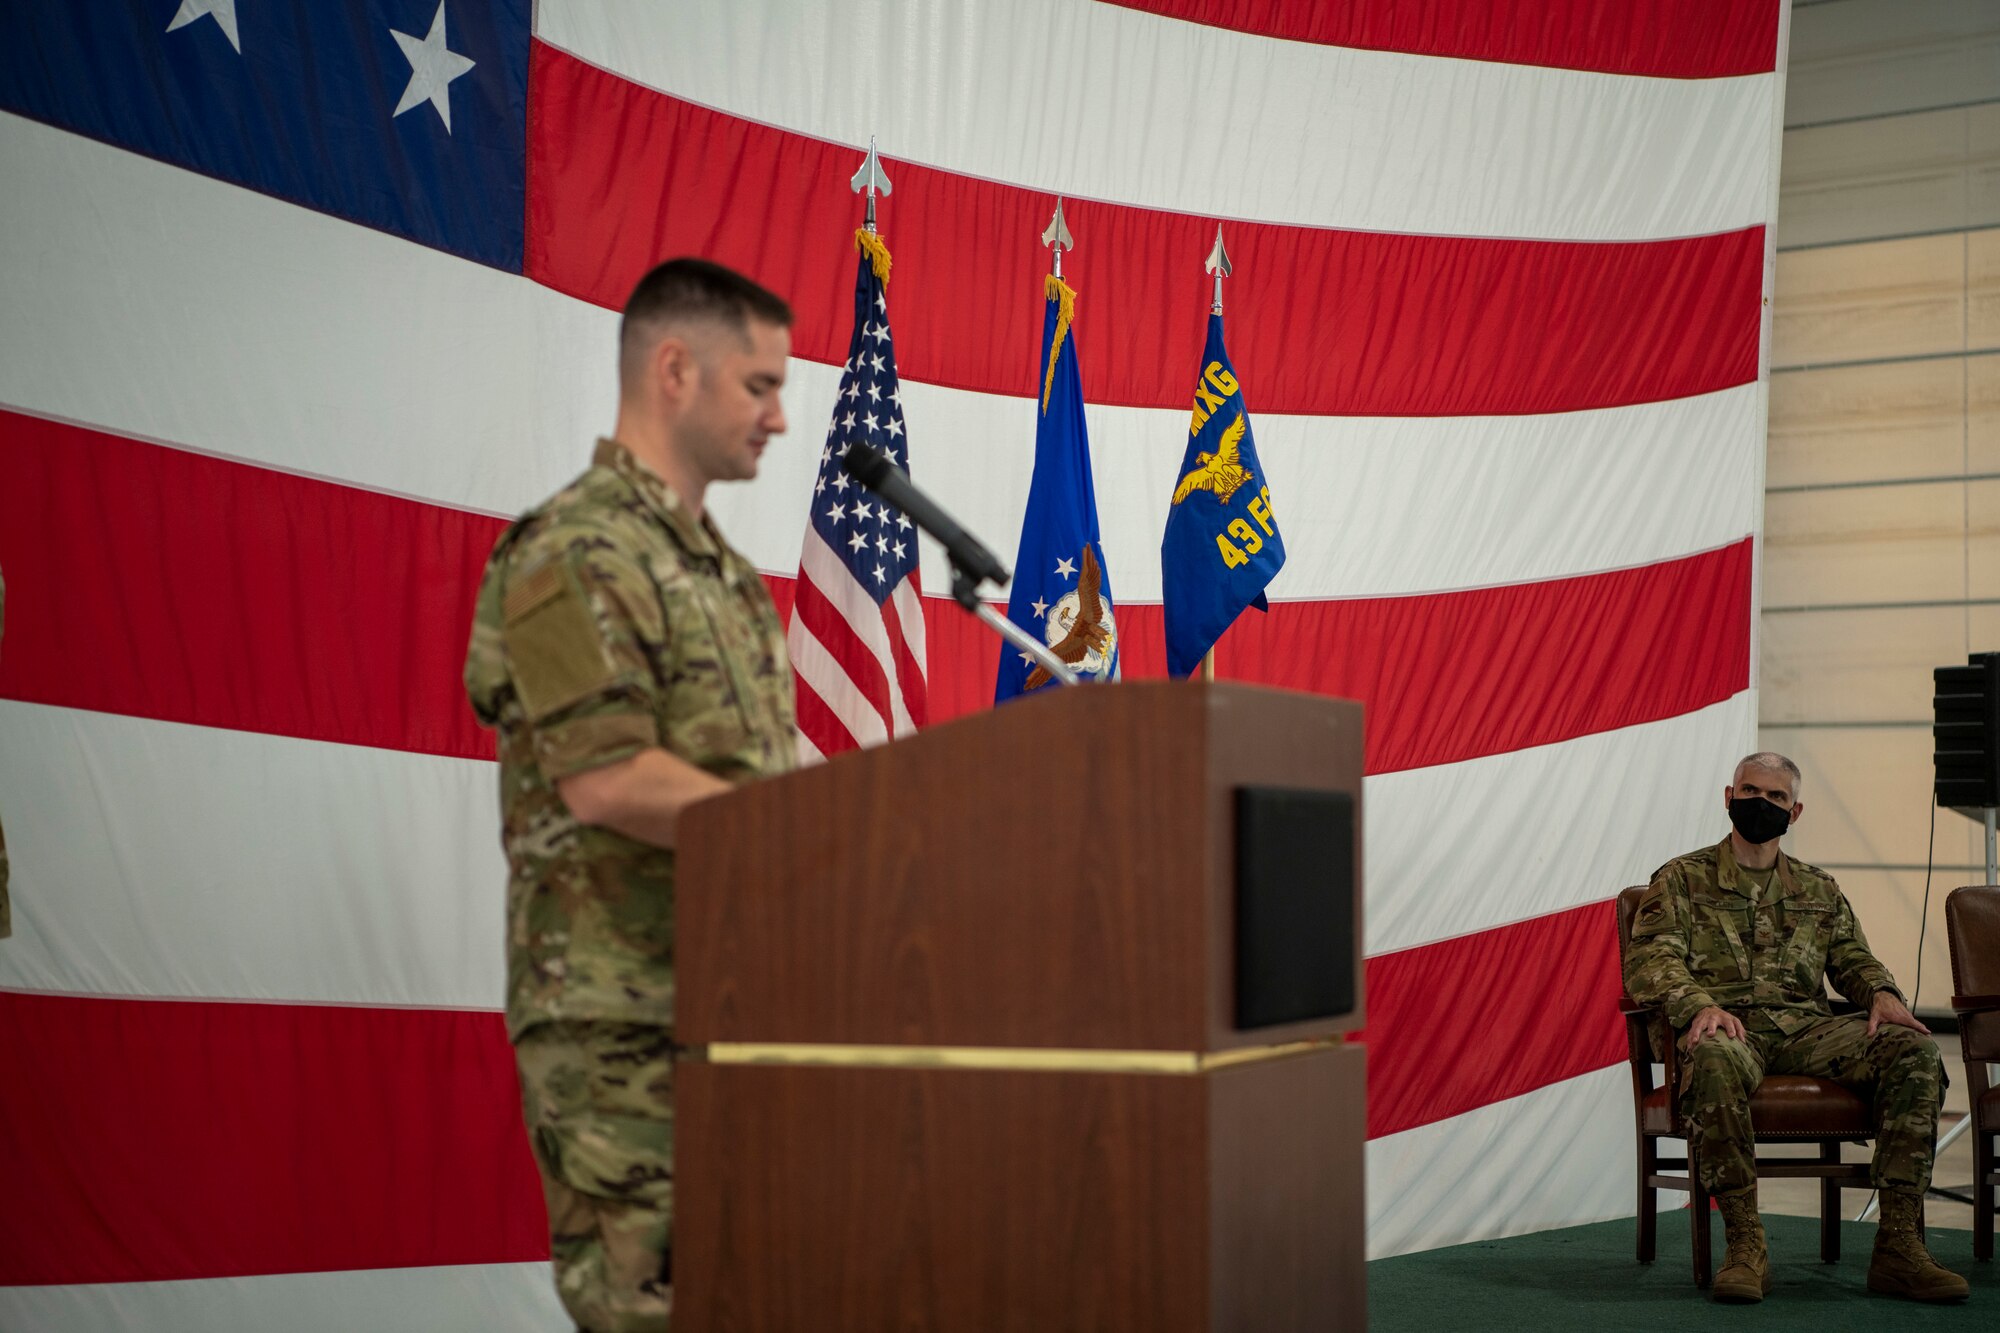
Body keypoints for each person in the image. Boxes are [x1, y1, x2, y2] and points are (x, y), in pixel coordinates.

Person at [463, 258, 798, 1332]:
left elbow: (762, 776)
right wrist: (821, 839)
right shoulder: (572, 546)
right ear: (674, 371)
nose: (780, 418)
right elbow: (606, 777)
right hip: (619, 1030)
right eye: (758, 385)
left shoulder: (724, 578)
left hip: (735, 1011)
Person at [1625, 751, 1968, 1305]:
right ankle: (1745, 1245)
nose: (1761, 803)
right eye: (1751, 791)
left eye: (1776, 797)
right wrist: (1695, 1005)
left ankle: (1898, 1247)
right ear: (1728, 797)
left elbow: (1852, 957)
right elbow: (1651, 961)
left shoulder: (1818, 888)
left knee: (1915, 1052)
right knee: (1711, 1055)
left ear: (1796, 810)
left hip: (1806, 1032)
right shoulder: (1682, 879)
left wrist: (1881, 993)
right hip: (1730, 1027)